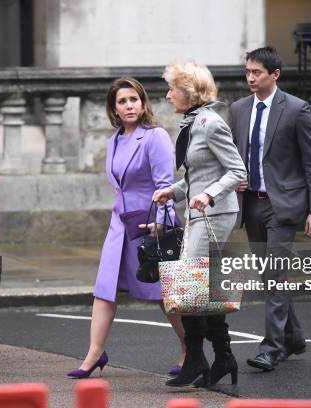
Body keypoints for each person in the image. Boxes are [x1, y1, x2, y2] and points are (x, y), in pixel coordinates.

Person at [67, 77, 186, 379]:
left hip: (151, 225)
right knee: (104, 289)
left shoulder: (155, 136)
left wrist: (161, 222)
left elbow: (164, 185)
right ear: (114, 109)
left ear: (143, 103)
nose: (129, 105)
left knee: (164, 294)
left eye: (134, 99)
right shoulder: (115, 140)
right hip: (120, 226)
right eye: (122, 101)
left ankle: (190, 348)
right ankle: (95, 352)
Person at [230, 46, 311, 371]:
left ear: (275, 75)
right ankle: (294, 337)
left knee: (275, 274)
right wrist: (235, 181)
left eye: (256, 72)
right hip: (252, 205)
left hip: (282, 205)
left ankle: (271, 348)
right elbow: (234, 156)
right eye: (247, 72)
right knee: (271, 277)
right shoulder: (240, 109)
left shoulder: (296, 110)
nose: (250, 78)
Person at [153, 62, 246, 387]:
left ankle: (197, 360)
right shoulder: (193, 122)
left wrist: (207, 195)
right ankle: (221, 357)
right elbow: (197, 175)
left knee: (189, 286)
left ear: (190, 92)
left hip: (216, 214)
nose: (168, 95)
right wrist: (174, 191)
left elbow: (237, 171)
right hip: (199, 213)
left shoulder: (210, 123)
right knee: (203, 287)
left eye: (173, 89)